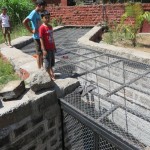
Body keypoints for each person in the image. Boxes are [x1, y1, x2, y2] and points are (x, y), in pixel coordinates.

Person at [22, 0, 47, 69]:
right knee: (39, 54)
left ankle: (41, 67)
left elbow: (40, 23)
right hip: (36, 37)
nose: (44, 8)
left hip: (40, 36)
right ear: (38, 5)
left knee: (41, 53)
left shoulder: (38, 13)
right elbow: (24, 22)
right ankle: (39, 69)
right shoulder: (33, 13)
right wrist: (31, 31)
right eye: (43, 6)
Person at [39, 10, 56, 81]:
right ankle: (49, 76)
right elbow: (41, 39)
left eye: (48, 17)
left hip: (51, 47)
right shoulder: (42, 28)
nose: (47, 19)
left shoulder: (50, 26)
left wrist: (54, 46)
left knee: (52, 62)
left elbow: (52, 37)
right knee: (47, 63)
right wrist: (43, 49)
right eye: (45, 18)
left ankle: (52, 72)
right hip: (46, 49)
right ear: (42, 18)